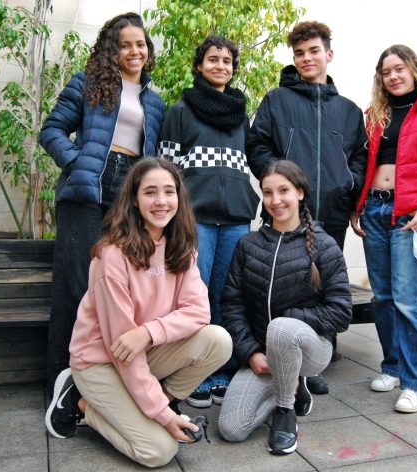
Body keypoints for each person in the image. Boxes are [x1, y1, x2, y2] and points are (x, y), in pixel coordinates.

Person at [44, 158, 233, 468]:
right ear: (134, 199)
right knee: (159, 451)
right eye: (150, 192)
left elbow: (199, 311)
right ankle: (81, 404)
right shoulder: (112, 256)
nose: (161, 201)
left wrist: (147, 333)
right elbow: (122, 351)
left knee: (218, 341)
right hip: (102, 361)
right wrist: (163, 416)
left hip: (144, 350)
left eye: (169, 191)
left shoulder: (180, 246)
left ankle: (149, 403)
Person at [39, 13, 165, 397]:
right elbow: (51, 130)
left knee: (118, 289)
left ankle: (103, 386)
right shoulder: (88, 83)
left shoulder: (155, 102)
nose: (134, 51)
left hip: (129, 192)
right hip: (87, 190)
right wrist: (78, 162)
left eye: (140, 44)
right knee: (77, 286)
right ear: (112, 49)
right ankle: (61, 386)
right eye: (125, 45)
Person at [246, 20, 366, 395]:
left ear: (329, 54)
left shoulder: (348, 111)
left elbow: (359, 157)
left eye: (314, 51)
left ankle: (315, 361)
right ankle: (281, 351)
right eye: (299, 53)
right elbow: (257, 146)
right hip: (285, 212)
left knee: (324, 285)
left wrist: (348, 185)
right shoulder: (276, 101)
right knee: (285, 283)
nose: (306, 58)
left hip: (331, 212)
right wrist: (279, 182)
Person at [218, 160, 352, 455]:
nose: (275, 200)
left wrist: (288, 320)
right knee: (231, 429)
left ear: (300, 192)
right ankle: (291, 386)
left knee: (281, 327)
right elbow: (232, 303)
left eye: (283, 191)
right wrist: (250, 352)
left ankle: (285, 410)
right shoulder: (248, 245)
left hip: (310, 350)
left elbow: (341, 312)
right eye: (268, 193)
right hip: (263, 354)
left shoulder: (324, 245)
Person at [350, 45, 417, 413]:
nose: (393, 76)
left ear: (413, 69)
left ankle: (416, 383)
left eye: (399, 68)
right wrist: (357, 207)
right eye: (386, 71)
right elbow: (364, 165)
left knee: (408, 301)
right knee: (382, 297)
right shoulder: (374, 116)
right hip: (374, 209)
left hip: (410, 215)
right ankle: (393, 367)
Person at [159, 35, 259, 407]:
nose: (220, 66)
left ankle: (223, 370)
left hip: (235, 218)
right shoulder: (180, 111)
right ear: (200, 65)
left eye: (227, 60)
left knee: (227, 295)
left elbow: (251, 160)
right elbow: (166, 168)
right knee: (194, 296)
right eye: (213, 59)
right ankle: (195, 372)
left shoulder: (241, 115)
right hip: (195, 218)